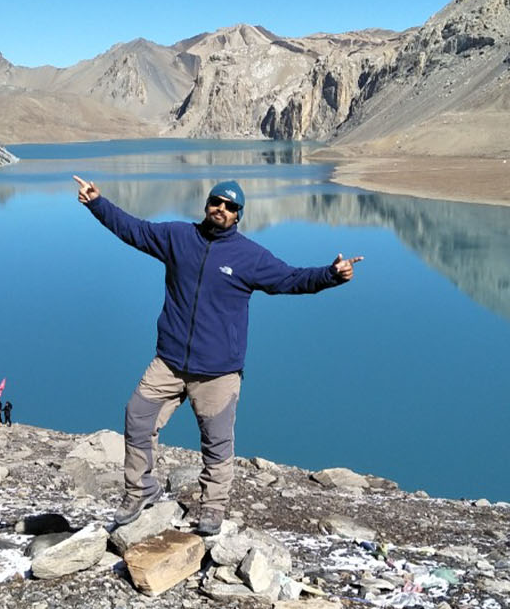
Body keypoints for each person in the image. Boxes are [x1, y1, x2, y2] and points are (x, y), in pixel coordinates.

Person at [74, 175, 362, 535]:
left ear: (238, 215)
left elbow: (291, 279)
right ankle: (140, 490)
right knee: (138, 417)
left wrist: (331, 275)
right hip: (170, 362)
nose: (221, 210)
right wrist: (98, 204)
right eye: (216, 203)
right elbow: (135, 230)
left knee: (216, 442)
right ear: (207, 204)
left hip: (218, 372)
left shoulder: (250, 257)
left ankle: (212, 508)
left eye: (230, 207)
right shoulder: (178, 238)